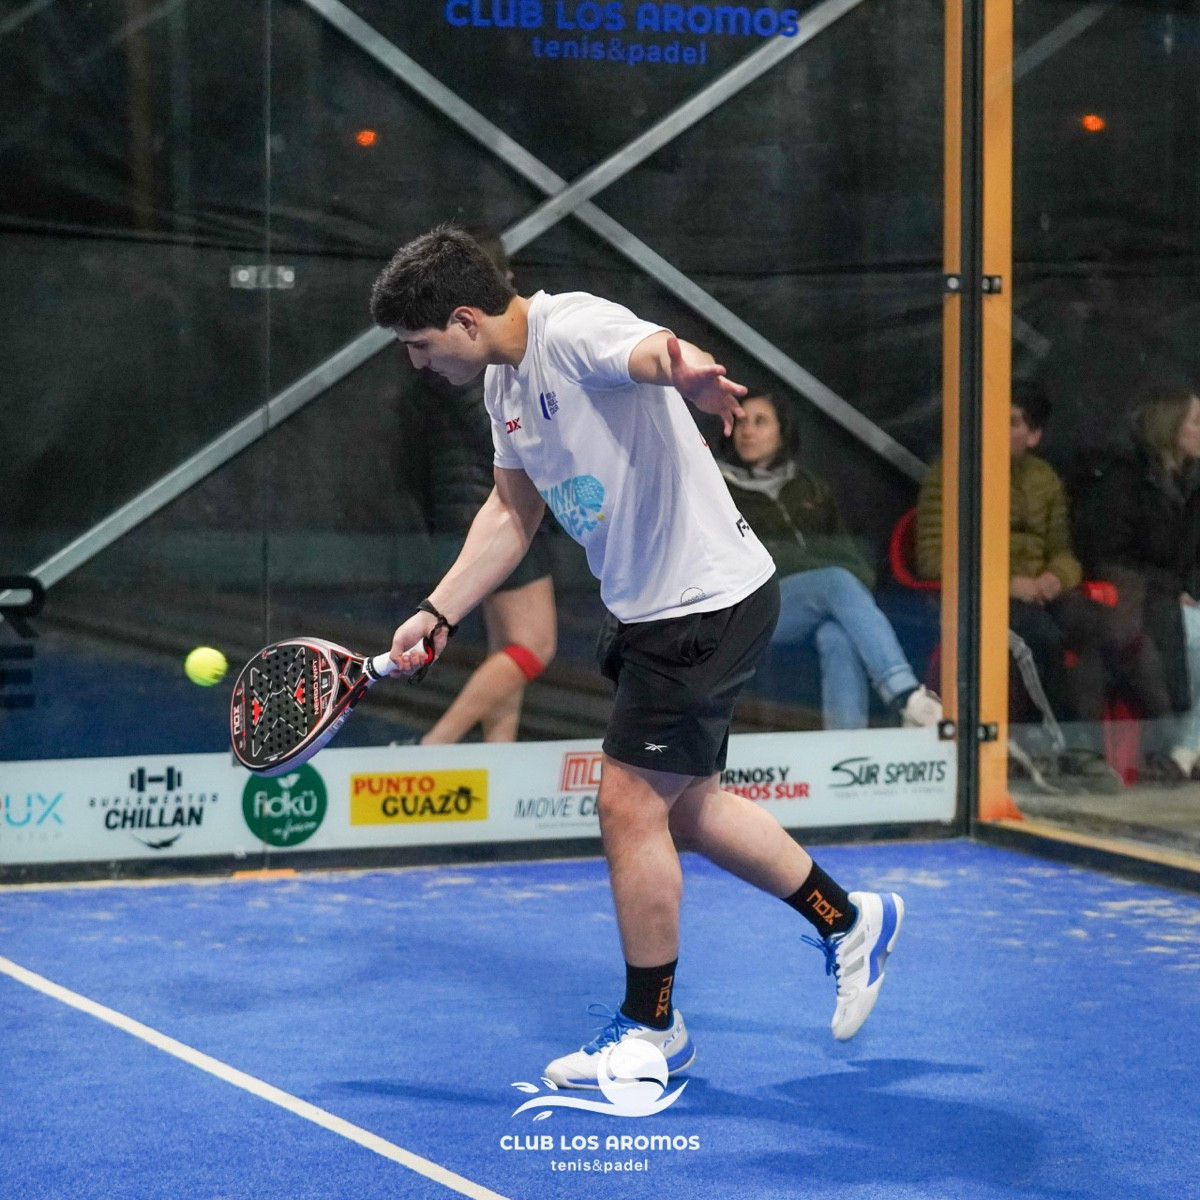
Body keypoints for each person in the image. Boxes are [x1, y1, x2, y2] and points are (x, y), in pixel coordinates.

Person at [370, 224, 904, 1087]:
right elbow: (512, 512)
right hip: (652, 612)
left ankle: (652, 1031)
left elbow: (652, 351)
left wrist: (687, 371)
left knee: (625, 804)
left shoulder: (572, 327)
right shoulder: (504, 384)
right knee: (687, 811)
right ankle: (850, 921)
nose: (416, 362)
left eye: (420, 344)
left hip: (703, 603)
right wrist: (440, 610)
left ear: (465, 320)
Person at [916, 383, 1161, 791]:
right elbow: (932, 558)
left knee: (1096, 626)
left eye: (1011, 423)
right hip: (980, 597)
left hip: (1041, 594)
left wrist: (1056, 578)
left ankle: (1092, 750)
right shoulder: (949, 474)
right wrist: (1006, 584)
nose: (996, 430)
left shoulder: (1044, 478)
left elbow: (1064, 552)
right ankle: (1064, 753)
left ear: (1034, 436)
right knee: (1039, 639)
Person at [718, 391, 942, 730]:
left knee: (837, 633)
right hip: (746, 610)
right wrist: (815, 564)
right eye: (740, 423)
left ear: (783, 431)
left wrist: (826, 570)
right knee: (834, 581)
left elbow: (850, 558)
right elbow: (762, 558)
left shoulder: (811, 488)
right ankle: (905, 695)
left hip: (807, 605)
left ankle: (845, 745)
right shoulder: (718, 487)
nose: (747, 431)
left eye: (760, 422)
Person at [411, 230, 558, 745]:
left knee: (508, 648)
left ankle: (498, 765)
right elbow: (503, 440)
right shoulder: (463, 359)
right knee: (533, 646)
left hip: (474, 504)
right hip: (487, 506)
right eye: (504, 275)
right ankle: (433, 748)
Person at [1072, 385, 1200, 781]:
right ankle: (1182, 750)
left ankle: (1185, 750)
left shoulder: (1192, 482)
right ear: (1169, 427)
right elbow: (1109, 553)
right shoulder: (1123, 478)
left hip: (1178, 594)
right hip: (1135, 597)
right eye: (1196, 422)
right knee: (1195, 640)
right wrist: (1173, 590)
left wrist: (1190, 587)